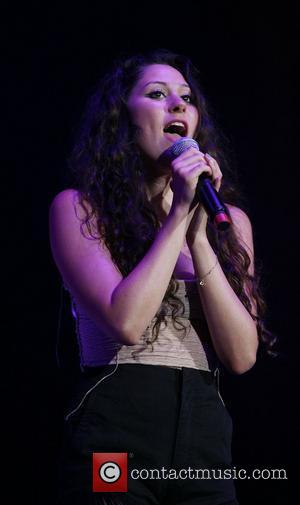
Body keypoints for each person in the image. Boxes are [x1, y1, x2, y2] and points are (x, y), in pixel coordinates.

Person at [49, 49, 275, 505]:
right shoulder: (79, 209)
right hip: (116, 425)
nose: (177, 106)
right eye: (157, 94)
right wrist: (176, 220)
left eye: (186, 99)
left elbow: (241, 356)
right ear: (122, 119)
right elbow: (127, 323)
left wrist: (198, 235)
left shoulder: (229, 222)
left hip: (204, 434)